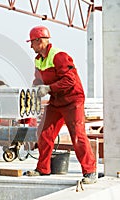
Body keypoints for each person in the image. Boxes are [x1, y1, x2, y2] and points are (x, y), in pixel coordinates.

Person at [25, 25, 97, 184]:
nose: (30, 46)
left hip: (72, 100)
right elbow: (38, 80)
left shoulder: (59, 56)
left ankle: (90, 172)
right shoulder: (39, 59)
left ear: (40, 41)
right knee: (44, 133)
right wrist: (34, 90)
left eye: (32, 42)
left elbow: (70, 81)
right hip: (57, 101)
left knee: (77, 135)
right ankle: (43, 169)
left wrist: (49, 88)